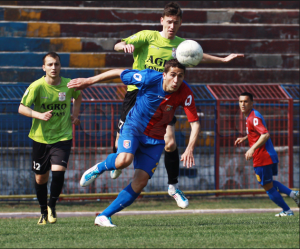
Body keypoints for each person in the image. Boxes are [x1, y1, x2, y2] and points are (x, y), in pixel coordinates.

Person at [112, 1, 244, 208]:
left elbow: (197, 56)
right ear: (162, 21)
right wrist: (124, 46)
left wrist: (223, 60)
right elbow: (118, 44)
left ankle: (173, 186)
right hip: (137, 95)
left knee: (170, 143)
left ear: (180, 23)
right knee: (120, 141)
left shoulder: (181, 46)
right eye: (169, 22)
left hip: (164, 98)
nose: (172, 26)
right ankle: (116, 160)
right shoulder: (148, 36)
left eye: (176, 23)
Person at [67, 59, 200, 227]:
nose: (176, 80)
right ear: (164, 75)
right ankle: (99, 168)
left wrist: (189, 148)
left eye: (180, 76)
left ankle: (103, 216)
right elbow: (118, 72)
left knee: (140, 182)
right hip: (134, 128)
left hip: (155, 139)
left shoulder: (185, 92)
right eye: (172, 75)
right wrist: (88, 81)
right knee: (124, 160)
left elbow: (195, 123)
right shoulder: (149, 78)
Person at [18, 52, 82, 225]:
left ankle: (52, 205)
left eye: (57, 64)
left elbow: (78, 96)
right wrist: (39, 115)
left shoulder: (69, 85)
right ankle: (43, 211)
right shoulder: (37, 86)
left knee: (58, 172)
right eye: (50, 64)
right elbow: (22, 108)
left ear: (60, 66)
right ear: (44, 67)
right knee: (40, 178)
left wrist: (75, 115)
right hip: (40, 138)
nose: (54, 68)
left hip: (62, 136)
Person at [234, 92, 299, 217]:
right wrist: (245, 138)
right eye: (240, 101)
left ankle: (287, 211)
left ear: (251, 103)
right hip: (268, 155)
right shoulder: (251, 116)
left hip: (262, 157)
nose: (242, 104)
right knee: (268, 183)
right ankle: (293, 194)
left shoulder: (254, 117)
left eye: (246, 101)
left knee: (268, 188)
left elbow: (265, 134)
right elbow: (256, 133)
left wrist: (252, 149)